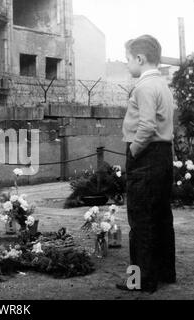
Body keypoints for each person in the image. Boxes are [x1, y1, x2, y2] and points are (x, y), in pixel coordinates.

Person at [116, 35, 177, 293]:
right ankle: (165, 273)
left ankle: (139, 280)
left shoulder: (143, 87)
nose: (127, 64)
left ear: (140, 59)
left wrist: (133, 150)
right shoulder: (162, 85)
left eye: (128, 59)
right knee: (162, 217)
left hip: (145, 156)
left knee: (139, 221)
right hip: (163, 155)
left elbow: (147, 126)